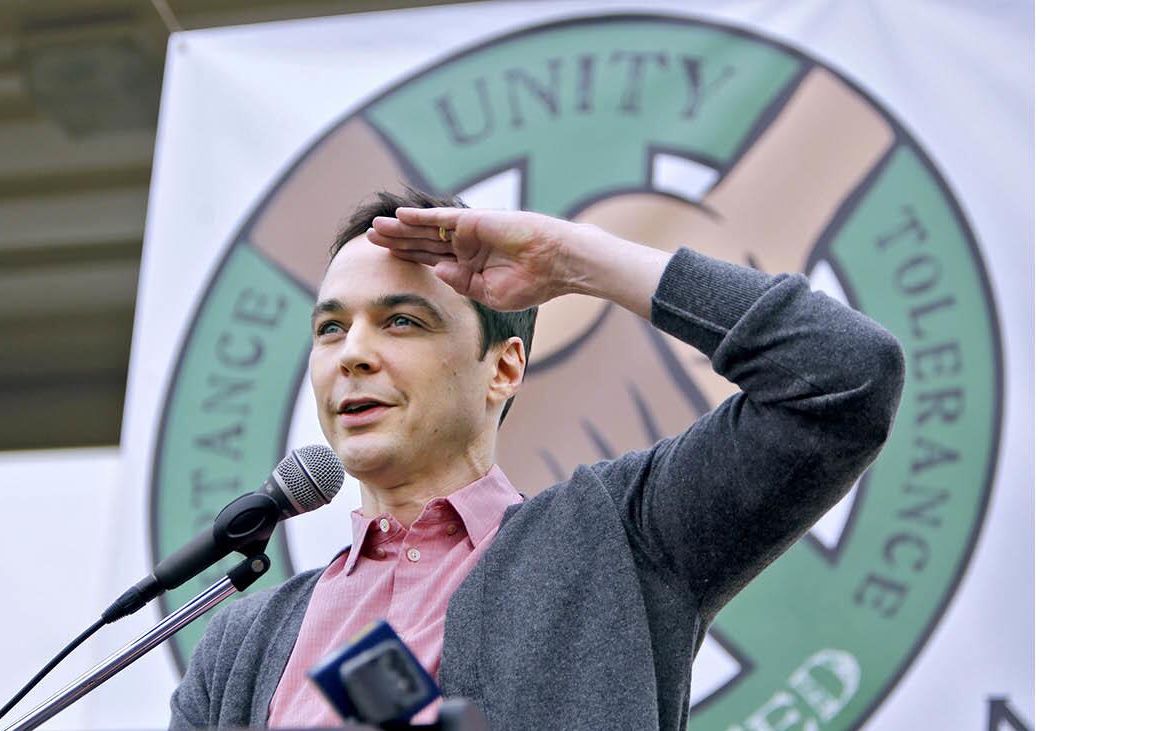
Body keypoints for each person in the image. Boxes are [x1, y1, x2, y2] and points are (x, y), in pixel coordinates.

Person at [169, 188, 905, 730]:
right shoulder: (241, 643)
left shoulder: (617, 539)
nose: (353, 353)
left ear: (504, 367)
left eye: (401, 320)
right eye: (331, 329)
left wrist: (572, 261)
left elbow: (844, 376)